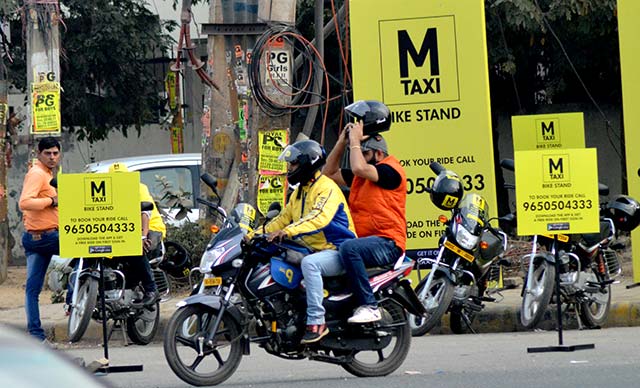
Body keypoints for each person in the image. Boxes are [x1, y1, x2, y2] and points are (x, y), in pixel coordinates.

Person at [264, 139, 356, 344]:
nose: (290, 168)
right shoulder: (300, 192)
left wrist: (286, 232)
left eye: (293, 164)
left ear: (307, 163)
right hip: (313, 249)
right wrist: (255, 234)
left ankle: (316, 322)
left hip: (337, 250)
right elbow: (282, 218)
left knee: (309, 264)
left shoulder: (326, 188)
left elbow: (318, 217)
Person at [324, 100, 407, 324]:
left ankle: (370, 306)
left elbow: (360, 167)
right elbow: (328, 174)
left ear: (378, 153)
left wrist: (354, 142)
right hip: (364, 241)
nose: (359, 154)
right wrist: (342, 142)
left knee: (350, 249)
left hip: (387, 243)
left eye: (365, 151)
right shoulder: (362, 177)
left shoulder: (391, 171)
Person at [19, 136, 61, 341]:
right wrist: (51, 201)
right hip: (46, 237)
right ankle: (75, 299)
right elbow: (24, 202)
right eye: (48, 153)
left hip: (36, 237)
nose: (52, 157)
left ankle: (36, 336)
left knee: (32, 289)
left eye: (55, 153)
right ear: (39, 154)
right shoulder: (37, 173)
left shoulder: (49, 174)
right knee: (89, 252)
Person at [108, 162, 165, 306]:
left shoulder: (139, 188)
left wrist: (142, 236)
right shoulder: (109, 191)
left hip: (151, 227)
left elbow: (145, 212)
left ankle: (151, 290)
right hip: (127, 230)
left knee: (137, 247)